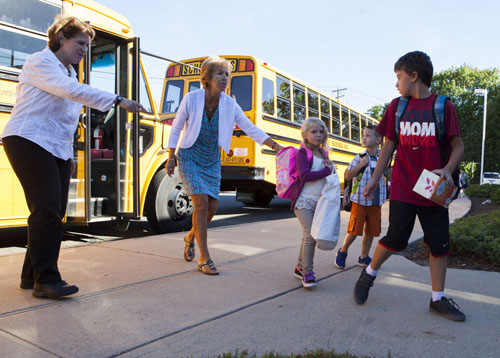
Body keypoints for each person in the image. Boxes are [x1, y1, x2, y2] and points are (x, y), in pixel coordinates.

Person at [2, 15, 145, 299]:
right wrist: (116, 100)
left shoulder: (71, 72)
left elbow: (70, 107)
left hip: (56, 145)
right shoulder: (40, 62)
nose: (84, 50)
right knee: (47, 209)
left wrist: (70, 152)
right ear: (61, 39)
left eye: (88, 45)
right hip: (28, 139)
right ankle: (47, 280)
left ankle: (31, 276)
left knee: (53, 211)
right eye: (80, 43)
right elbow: (71, 93)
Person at [354, 51, 466, 322]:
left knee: (439, 246)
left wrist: (448, 170)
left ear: (414, 76)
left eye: (399, 77)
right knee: (395, 238)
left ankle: (437, 300)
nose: (396, 84)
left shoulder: (442, 106)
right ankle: (368, 274)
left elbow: (458, 145)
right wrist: (373, 180)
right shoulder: (396, 107)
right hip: (404, 186)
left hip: (433, 190)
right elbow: (388, 147)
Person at [166, 56, 283, 275]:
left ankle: (190, 236)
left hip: (211, 160)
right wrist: (171, 155)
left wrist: (276, 146)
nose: (225, 78)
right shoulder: (191, 99)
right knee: (200, 204)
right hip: (189, 156)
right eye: (220, 73)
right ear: (207, 78)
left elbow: (250, 128)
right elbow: (176, 127)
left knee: (211, 210)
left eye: (227, 74)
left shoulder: (230, 104)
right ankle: (205, 257)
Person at [289, 118, 333, 288]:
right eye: (314, 132)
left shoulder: (324, 154)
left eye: (321, 132)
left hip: (320, 202)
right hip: (303, 202)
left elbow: (327, 176)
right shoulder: (303, 153)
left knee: (308, 235)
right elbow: (304, 176)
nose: (318, 135)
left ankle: (299, 267)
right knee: (311, 236)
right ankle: (308, 272)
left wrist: (329, 171)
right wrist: (325, 171)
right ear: (305, 135)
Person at [335, 125, 385, 269]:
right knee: (354, 231)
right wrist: (360, 165)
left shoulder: (383, 157)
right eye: (363, 135)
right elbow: (348, 175)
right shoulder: (359, 157)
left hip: (376, 202)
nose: (364, 138)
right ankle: (342, 251)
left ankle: (363, 257)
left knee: (371, 231)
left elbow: (388, 173)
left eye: (368, 135)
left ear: (378, 139)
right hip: (360, 201)